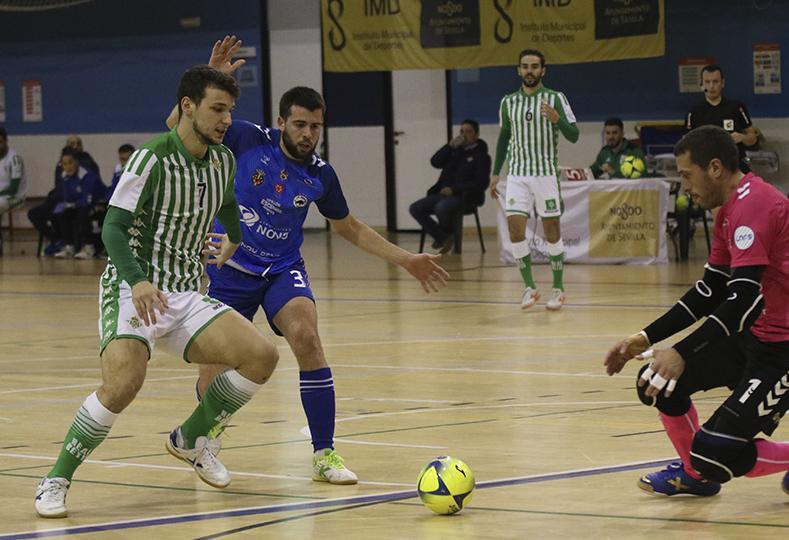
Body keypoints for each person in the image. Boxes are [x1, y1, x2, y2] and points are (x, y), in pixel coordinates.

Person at [167, 36, 450, 485]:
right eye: (299, 125)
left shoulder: (321, 175)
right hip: (229, 268)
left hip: (282, 269)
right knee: (214, 367)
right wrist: (213, 77)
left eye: (315, 126)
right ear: (281, 121)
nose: (307, 134)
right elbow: (181, 133)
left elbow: (350, 227)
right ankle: (205, 443)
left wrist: (407, 260)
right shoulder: (245, 138)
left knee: (307, 336)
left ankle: (324, 454)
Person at [34, 65, 280, 518]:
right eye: (218, 109)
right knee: (123, 384)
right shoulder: (150, 158)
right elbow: (112, 228)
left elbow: (226, 204)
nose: (227, 119)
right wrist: (138, 279)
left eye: (231, 110)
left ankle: (190, 438)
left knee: (262, 356)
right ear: (188, 107)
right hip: (133, 289)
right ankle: (56, 479)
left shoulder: (223, 159)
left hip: (185, 294)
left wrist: (236, 237)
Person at [604, 125, 789, 497]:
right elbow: (711, 289)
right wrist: (645, 337)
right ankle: (695, 476)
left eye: (686, 175)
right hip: (758, 335)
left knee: (715, 452)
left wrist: (681, 352)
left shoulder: (754, 205)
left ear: (714, 168)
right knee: (657, 383)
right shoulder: (729, 210)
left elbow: (742, 301)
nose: (685, 186)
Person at [489, 48, 579, 310]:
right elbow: (504, 137)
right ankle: (529, 286)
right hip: (517, 175)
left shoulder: (556, 98)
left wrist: (557, 119)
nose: (530, 71)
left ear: (543, 70)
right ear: (518, 70)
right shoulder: (508, 102)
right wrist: (496, 172)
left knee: (552, 232)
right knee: (515, 230)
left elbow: (574, 135)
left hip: (546, 175)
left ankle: (558, 288)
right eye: (525, 66)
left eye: (534, 66)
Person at [409, 119, 490, 253]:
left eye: (468, 132)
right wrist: (449, 147)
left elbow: (481, 182)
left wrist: (454, 189)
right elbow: (435, 162)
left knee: (441, 207)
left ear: (476, 135)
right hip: (442, 194)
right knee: (415, 208)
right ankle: (443, 237)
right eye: (461, 131)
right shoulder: (455, 152)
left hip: (464, 196)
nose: (464, 135)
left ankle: (444, 237)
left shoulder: (481, 156)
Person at [685, 65, 758, 173]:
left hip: (735, 167)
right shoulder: (694, 112)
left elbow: (753, 138)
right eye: (707, 82)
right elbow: (686, 144)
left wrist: (742, 137)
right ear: (701, 84)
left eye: (715, 81)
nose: (711, 86)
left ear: (722, 83)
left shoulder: (737, 107)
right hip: (707, 169)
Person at [49, 146, 103, 259]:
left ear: (77, 162)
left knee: (83, 212)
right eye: (64, 164)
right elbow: (66, 197)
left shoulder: (88, 176)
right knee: (58, 212)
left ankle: (89, 247)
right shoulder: (64, 177)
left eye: (70, 162)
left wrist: (71, 204)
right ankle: (69, 246)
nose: (68, 167)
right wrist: (65, 206)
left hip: (97, 204)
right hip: (76, 205)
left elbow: (87, 200)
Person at [0, 127, 25, 213]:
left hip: (16, 197)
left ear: (6, 141)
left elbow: (13, 189)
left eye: (0, 142)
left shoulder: (14, 159)